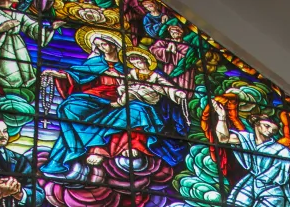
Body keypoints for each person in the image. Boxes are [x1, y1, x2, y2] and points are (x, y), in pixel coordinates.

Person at [41, 33, 187, 179]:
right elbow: (76, 75)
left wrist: (175, 93)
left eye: (104, 44)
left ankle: (112, 148)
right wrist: (56, 74)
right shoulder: (95, 63)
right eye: (98, 45)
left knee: (137, 110)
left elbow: (160, 85)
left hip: (122, 99)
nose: (101, 48)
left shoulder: (129, 68)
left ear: (115, 45)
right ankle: (82, 147)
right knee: (69, 107)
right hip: (96, 98)